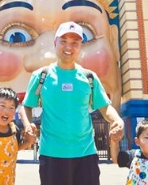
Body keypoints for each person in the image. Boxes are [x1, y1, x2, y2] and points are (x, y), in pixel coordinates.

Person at [19, 21, 125, 185]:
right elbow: (27, 106)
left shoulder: (89, 77)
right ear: (55, 43)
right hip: (51, 154)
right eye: (64, 41)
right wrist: (27, 125)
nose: (69, 46)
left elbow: (104, 106)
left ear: (80, 46)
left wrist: (118, 120)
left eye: (75, 42)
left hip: (86, 154)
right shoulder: (41, 76)